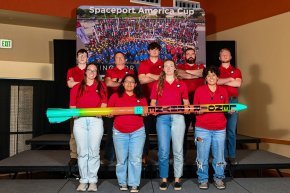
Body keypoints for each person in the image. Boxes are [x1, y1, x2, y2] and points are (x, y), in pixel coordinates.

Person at [150, 59, 189, 191]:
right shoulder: (157, 84)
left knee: (178, 149)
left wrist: (187, 108)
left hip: (178, 118)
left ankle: (177, 178)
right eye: (166, 66)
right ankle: (164, 179)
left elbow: (186, 102)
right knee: (163, 149)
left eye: (171, 66)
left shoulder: (182, 84)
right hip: (162, 119)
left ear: (175, 68)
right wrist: (154, 110)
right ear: (163, 69)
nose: (168, 68)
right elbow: (153, 102)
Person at [70, 63, 107, 192]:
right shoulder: (76, 87)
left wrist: (99, 112)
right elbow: (72, 107)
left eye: (94, 71)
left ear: (97, 73)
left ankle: (92, 181)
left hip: (96, 121)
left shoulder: (101, 86)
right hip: (80, 122)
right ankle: (83, 180)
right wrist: (76, 115)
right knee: (82, 151)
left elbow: (103, 104)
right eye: (89, 70)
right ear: (85, 72)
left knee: (94, 151)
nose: (92, 72)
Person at [108, 74, 147, 193]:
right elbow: (109, 112)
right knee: (121, 159)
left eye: (132, 82)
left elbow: (145, 112)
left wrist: (144, 112)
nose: (129, 84)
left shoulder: (141, 97)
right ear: (123, 84)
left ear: (135, 84)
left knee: (135, 159)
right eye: (127, 81)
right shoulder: (115, 96)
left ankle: (134, 184)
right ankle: (122, 183)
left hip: (137, 132)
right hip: (119, 132)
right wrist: (109, 113)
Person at [194, 65, 228, 190]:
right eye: (208, 75)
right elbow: (195, 109)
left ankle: (219, 178)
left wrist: (230, 110)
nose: (211, 77)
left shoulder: (223, 91)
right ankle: (203, 179)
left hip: (219, 128)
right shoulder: (199, 90)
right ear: (205, 78)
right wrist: (199, 111)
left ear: (218, 77)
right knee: (202, 155)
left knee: (219, 155)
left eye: (213, 75)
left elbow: (226, 107)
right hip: (202, 128)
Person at [104, 52, 135, 165]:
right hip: (113, 104)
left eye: (121, 57)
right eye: (117, 58)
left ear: (125, 59)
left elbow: (131, 85)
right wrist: (122, 82)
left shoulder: (130, 71)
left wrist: (116, 80)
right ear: (114, 60)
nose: (120, 59)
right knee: (112, 132)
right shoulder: (110, 71)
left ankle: (124, 157)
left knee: (127, 131)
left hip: (128, 104)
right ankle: (109, 157)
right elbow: (108, 83)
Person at [138, 42, 163, 163]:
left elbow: (166, 77)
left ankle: (162, 155)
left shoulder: (163, 64)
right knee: (145, 129)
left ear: (159, 51)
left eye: (157, 49)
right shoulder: (143, 63)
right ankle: (144, 154)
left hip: (162, 100)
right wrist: (158, 76)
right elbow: (141, 80)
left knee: (162, 129)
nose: (154, 51)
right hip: (146, 99)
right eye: (152, 49)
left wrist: (149, 75)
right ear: (148, 51)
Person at [177, 48, 204, 157]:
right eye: (188, 54)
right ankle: (182, 156)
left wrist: (188, 73)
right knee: (183, 129)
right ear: (185, 56)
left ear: (195, 55)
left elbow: (202, 73)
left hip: (199, 100)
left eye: (192, 53)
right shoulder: (179, 67)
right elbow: (181, 74)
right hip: (184, 100)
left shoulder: (201, 66)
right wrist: (196, 74)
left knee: (199, 130)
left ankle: (200, 154)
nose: (190, 55)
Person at [217, 48, 242, 165]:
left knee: (231, 131)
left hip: (233, 102)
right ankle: (223, 155)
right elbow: (214, 82)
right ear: (219, 58)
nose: (225, 56)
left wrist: (222, 81)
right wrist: (229, 80)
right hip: (220, 102)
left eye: (227, 54)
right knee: (221, 131)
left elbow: (238, 83)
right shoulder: (216, 70)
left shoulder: (236, 70)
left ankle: (231, 156)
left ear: (231, 57)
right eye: (223, 55)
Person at [66, 48, 88, 166]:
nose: (82, 57)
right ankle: (74, 155)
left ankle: (87, 154)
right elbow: (70, 84)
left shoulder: (90, 70)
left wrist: (76, 83)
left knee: (88, 131)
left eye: (84, 55)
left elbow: (92, 84)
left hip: (89, 105)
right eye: (80, 55)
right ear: (77, 57)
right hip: (75, 105)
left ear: (87, 58)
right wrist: (84, 83)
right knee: (74, 132)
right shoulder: (72, 70)